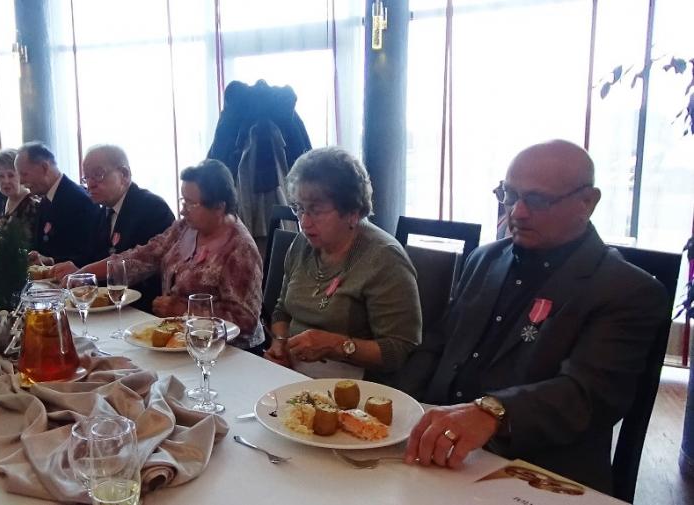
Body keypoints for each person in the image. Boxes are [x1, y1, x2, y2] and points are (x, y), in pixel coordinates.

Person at [396, 140, 667, 494]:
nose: (517, 212)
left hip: (535, 472)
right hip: (436, 453)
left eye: (537, 200)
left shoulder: (625, 290)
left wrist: (492, 413)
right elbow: (439, 343)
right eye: (509, 195)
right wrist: (396, 407)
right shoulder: (485, 260)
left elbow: (584, 395)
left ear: (587, 202)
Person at [57, 159, 264, 351]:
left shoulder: (240, 249)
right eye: (183, 201)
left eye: (191, 204)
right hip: (180, 342)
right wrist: (85, 273)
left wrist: (184, 311)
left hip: (228, 352)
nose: (183, 211)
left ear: (219, 207)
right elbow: (143, 257)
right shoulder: (185, 228)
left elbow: (244, 321)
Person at [263, 147, 421, 382]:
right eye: (299, 208)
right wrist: (280, 344)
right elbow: (281, 310)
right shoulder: (302, 245)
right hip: (293, 374)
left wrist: (336, 346)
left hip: (354, 385)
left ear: (352, 212)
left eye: (316, 210)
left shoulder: (384, 258)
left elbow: (399, 350)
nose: (304, 222)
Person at [50, 144, 175, 309]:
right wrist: (74, 267)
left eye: (98, 174)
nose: (90, 184)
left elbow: (145, 264)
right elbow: (93, 256)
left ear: (124, 174)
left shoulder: (152, 207)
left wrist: (86, 272)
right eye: (87, 178)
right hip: (108, 305)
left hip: (142, 307)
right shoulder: (103, 211)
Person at [16, 141, 98, 267]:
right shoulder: (46, 198)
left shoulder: (79, 200)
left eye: (24, 174)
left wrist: (51, 261)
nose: (21, 181)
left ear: (44, 168)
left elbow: (88, 255)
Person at [0, 149, 38, 239]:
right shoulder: (7, 199)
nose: (6, 181)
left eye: (11, 175)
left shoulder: (33, 204)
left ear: (21, 175)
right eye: (1, 176)